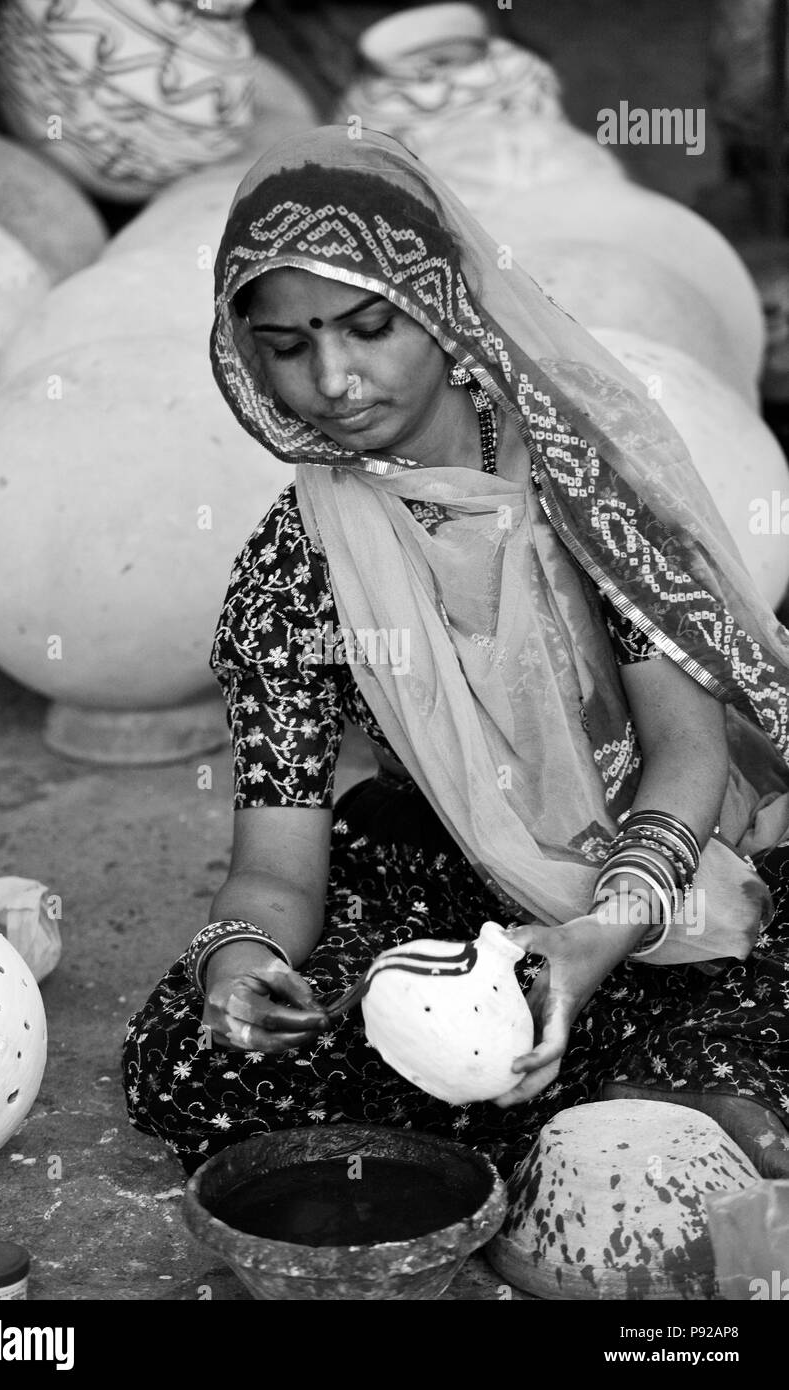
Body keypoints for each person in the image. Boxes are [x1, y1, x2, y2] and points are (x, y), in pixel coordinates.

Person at [123, 126, 789, 1181]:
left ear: (437, 300)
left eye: (367, 325)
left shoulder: (574, 476)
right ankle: (609, 1098)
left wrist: (592, 939)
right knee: (189, 1063)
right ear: (248, 352)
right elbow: (273, 870)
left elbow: (685, 755)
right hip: (455, 883)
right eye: (288, 346)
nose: (335, 380)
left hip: (672, 861)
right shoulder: (295, 568)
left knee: (748, 989)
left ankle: (590, 1088)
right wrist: (240, 966)